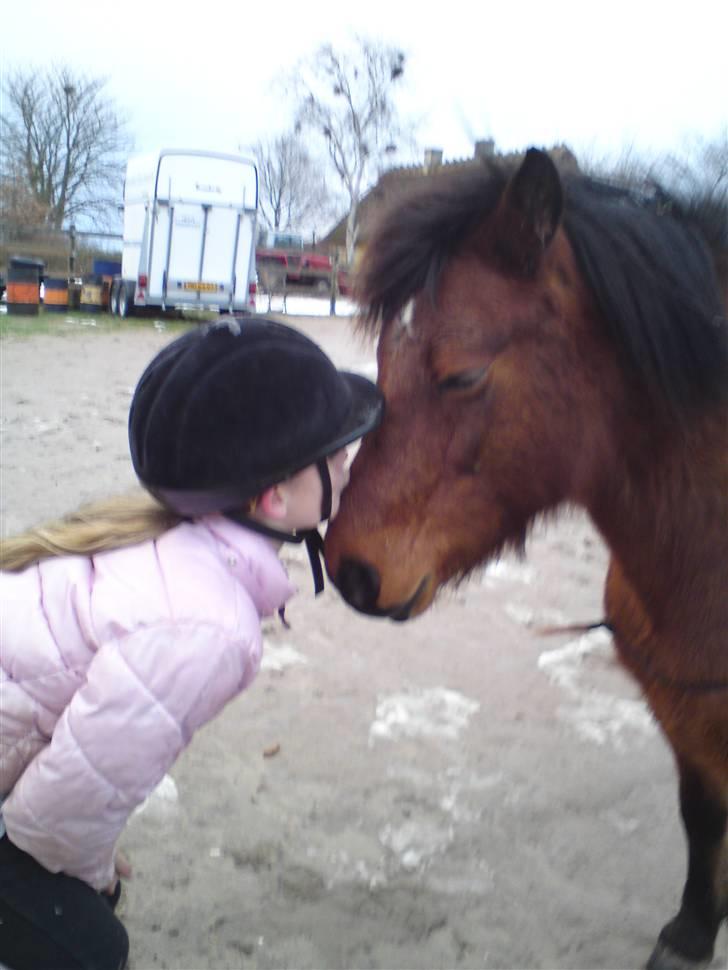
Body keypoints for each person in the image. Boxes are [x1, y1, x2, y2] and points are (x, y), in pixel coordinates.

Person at [0, 317, 383, 970]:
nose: (349, 461)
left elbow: (87, 771)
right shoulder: (206, 626)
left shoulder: (168, 545)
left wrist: (84, 851)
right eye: (334, 450)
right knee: (91, 944)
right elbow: (57, 817)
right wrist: (92, 874)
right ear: (272, 497)